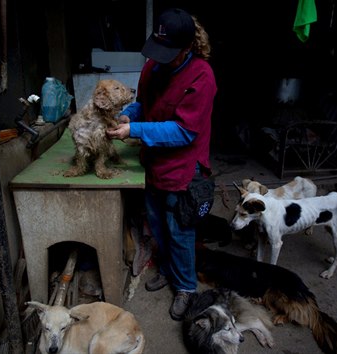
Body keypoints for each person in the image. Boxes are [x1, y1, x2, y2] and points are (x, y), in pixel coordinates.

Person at [106, 8, 217, 321]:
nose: (159, 58)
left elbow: (184, 131)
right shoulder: (153, 67)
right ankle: (168, 271)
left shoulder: (202, 77)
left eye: (168, 52)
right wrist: (131, 115)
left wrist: (134, 131)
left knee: (179, 230)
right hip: (153, 163)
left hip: (182, 168)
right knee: (157, 224)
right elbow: (145, 102)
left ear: (186, 49)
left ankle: (185, 287)